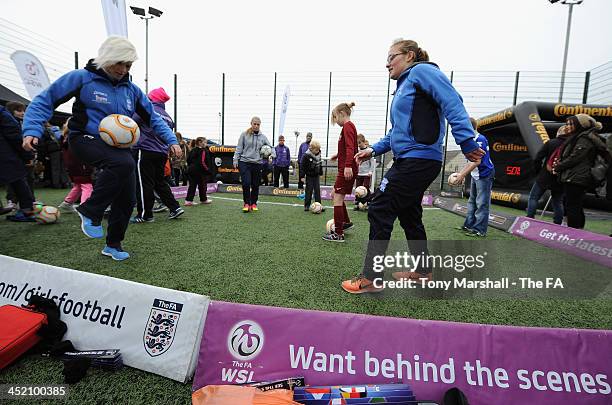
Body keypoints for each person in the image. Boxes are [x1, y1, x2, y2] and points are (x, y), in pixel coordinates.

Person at [341, 39, 484, 293]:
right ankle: (423, 270)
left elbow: (452, 100)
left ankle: (371, 278)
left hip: (418, 159)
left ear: (408, 55)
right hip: (414, 159)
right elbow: (397, 132)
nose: (387, 64)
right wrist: (373, 149)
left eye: (391, 57)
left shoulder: (422, 71)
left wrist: (464, 139)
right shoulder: (404, 86)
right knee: (409, 214)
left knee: (380, 207)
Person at [22, 36, 181, 261]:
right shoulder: (82, 78)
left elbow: (154, 119)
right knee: (123, 163)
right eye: (120, 63)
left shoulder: (132, 90)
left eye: (128, 65)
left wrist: (171, 141)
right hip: (84, 139)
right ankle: (89, 210)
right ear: (106, 58)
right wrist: (31, 129)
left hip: (117, 147)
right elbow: (45, 100)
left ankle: (113, 245)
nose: (124, 69)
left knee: (127, 197)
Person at [131, 87, 185, 223]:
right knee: (159, 182)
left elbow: (130, 124)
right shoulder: (168, 117)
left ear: (151, 98)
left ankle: (145, 215)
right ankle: (175, 207)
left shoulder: (146, 109)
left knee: (144, 184)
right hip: (161, 153)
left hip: (144, 150)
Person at [554, 114, 611, 229]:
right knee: (574, 205)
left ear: (580, 124)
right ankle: (578, 230)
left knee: (572, 205)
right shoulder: (579, 137)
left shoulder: (584, 138)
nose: (567, 126)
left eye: (571, 124)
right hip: (575, 176)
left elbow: (575, 157)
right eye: (567, 124)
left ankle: (574, 232)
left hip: (577, 177)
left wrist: (559, 166)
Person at [451, 118, 495, 237]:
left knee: (482, 203)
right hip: (476, 174)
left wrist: (461, 175)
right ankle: (469, 225)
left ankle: (480, 230)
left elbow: (477, 161)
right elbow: (470, 161)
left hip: (484, 174)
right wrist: (463, 173)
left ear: (469, 128)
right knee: (472, 201)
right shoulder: (470, 140)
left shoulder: (479, 139)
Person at [322, 102, 358, 243]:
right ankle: (346, 222)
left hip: (346, 169)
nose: (335, 121)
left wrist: (348, 165)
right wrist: (337, 155)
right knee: (335, 195)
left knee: (337, 198)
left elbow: (350, 148)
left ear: (342, 114)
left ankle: (338, 234)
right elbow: (348, 147)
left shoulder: (348, 126)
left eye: (336, 117)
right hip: (345, 167)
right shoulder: (348, 127)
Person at [525, 124, 572, 225]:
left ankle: (529, 218)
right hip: (560, 178)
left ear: (559, 132)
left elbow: (537, 158)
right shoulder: (571, 146)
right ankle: (557, 223)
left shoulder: (551, 143)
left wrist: (538, 172)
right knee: (558, 202)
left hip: (544, 176)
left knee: (533, 198)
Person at [0, 105, 35, 222]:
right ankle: (27, 210)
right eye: (19, 111)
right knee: (18, 178)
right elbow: (14, 135)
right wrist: (27, 155)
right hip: (5, 154)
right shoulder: (3, 113)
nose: (23, 113)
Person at [233, 116, 274, 212]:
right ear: (251, 124)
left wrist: (272, 155)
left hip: (257, 163)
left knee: (256, 184)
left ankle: (254, 203)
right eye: (254, 124)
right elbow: (239, 148)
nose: (256, 126)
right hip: (244, 162)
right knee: (246, 183)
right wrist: (235, 160)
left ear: (260, 125)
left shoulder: (263, 137)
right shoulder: (244, 135)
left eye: (258, 124)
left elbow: (271, 147)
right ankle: (246, 203)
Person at [58, 119, 94, 213]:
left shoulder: (65, 137)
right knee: (87, 185)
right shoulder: (77, 136)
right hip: (80, 164)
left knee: (78, 184)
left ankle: (67, 203)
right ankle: (85, 208)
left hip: (71, 165)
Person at [185, 137, 213, 205]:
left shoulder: (192, 150)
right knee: (202, 185)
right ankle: (203, 199)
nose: (206, 144)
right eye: (205, 142)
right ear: (200, 142)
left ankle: (188, 201)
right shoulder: (203, 150)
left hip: (191, 170)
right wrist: (208, 170)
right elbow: (202, 162)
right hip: (199, 171)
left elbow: (188, 160)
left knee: (192, 185)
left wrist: (191, 167)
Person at [301, 139, 324, 211]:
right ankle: (307, 205)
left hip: (316, 175)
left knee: (317, 190)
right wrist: (302, 176)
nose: (317, 151)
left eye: (318, 150)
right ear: (311, 149)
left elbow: (320, 164)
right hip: (309, 176)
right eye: (316, 150)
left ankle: (319, 205)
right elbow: (302, 166)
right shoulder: (306, 155)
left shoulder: (319, 154)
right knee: (309, 190)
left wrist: (321, 172)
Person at [354, 133, 374, 210]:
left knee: (365, 188)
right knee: (358, 189)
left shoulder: (368, 151)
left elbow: (372, 163)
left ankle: (367, 202)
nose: (358, 145)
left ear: (364, 141)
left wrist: (370, 172)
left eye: (359, 143)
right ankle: (357, 203)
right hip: (359, 173)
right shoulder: (357, 151)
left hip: (366, 174)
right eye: (357, 143)